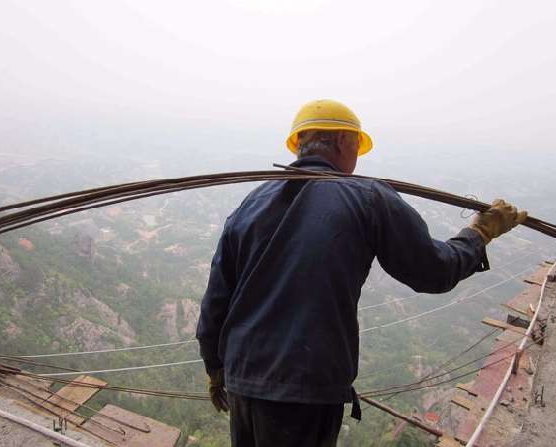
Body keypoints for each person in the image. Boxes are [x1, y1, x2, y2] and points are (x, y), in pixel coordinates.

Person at [196, 99, 527, 447]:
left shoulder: (252, 203)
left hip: (243, 383)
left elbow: (216, 302)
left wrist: (215, 368)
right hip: (304, 392)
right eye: (357, 146)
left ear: (299, 145)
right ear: (342, 141)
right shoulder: (366, 197)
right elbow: (434, 271)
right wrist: (480, 234)